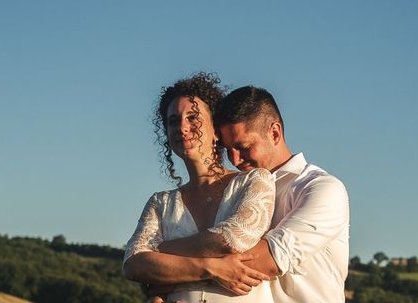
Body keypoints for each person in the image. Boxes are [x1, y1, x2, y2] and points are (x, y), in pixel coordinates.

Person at [132, 85, 350, 303]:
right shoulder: (241, 186)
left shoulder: (320, 188)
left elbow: (260, 261)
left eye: (243, 146)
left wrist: (160, 257)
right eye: (228, 149)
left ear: (275, 133)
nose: (235, 159)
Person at [123, 73, 277, 303]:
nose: (182, 127)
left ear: (215, 129)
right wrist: (210, 268)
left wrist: (160, 253)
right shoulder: (161, 203)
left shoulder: (254, 181)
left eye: (193, 117)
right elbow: (133, 263)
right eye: (173, 121)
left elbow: (233, 239)